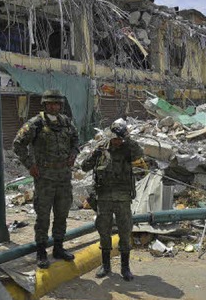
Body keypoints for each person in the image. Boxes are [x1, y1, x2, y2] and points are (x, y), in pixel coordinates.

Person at [13, 89, 79, 269]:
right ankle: (41, 251)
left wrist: (73, 154)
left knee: (62, 213)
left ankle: (58, 247)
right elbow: (18, 144)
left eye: (56, 104)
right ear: (44, 105)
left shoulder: (66, 123)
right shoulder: (36, 124)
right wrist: (30, 165)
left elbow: (75, 141)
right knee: (43, 216)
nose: (53, 106)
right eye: (50, 103)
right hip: (44, 178)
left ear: (61, 105)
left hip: (64, 177)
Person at [81, 120, 143, 281]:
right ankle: (106, 266)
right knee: (104, 231)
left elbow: (139, 154)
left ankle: (125, 267)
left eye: (119, 139)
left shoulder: (128, 149)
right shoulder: (101, 150)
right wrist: (93, 155)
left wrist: (127, 139)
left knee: (124, 231)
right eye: (114, 138)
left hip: (122, 198)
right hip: (104, 198)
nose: (116, 142)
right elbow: (84, 167)